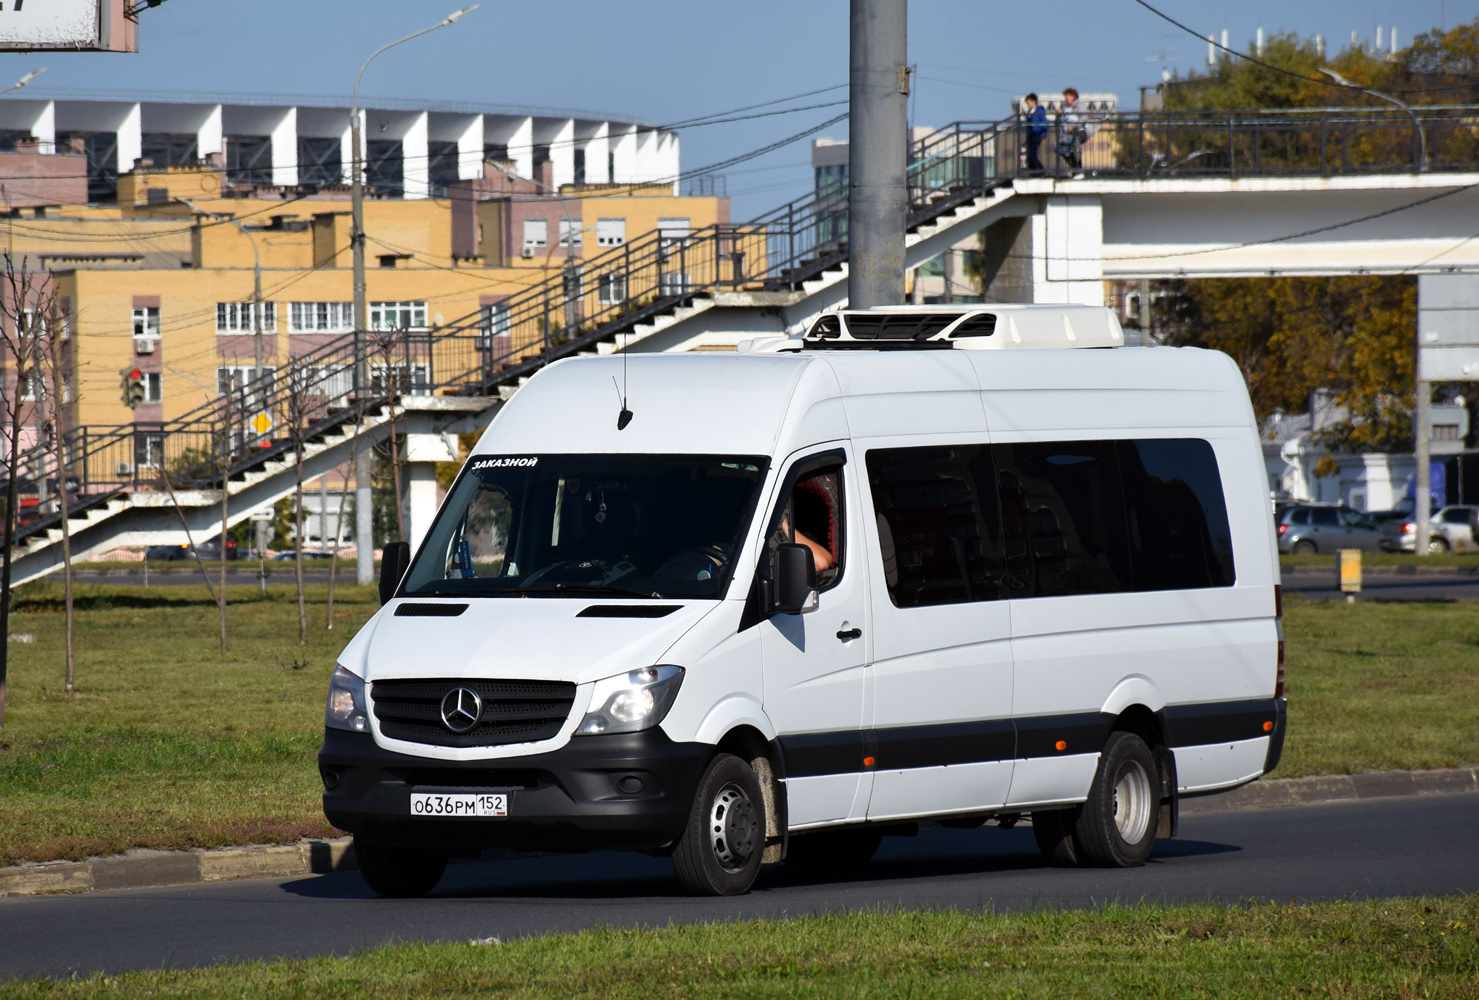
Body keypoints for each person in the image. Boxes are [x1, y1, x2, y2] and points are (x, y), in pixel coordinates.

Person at [1055, 87, 1097, 177]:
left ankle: (1078, 169)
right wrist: (1059, 115)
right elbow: (1060, 121)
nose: (1066, 98)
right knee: (1059, 147)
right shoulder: (1064, 107)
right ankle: (1073, 167)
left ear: (1073, 96)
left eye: (1067, 96)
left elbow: (1084, 117)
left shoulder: (1079, 106)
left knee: (1076, 143)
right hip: (1067, 133)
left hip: (1080, 131)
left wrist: (1074, 126)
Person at [1022, 93, 1047, 176]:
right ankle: (1033, 173)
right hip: (1030, 135)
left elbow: (1043, 123)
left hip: (1036, 134)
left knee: (1032, 154)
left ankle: (1040, 170)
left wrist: (1043, 134)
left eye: (1029, 103)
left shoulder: (1039, 111)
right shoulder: (1029, 113)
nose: (1028, 105)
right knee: (1029, 155)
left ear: (1034, 102)